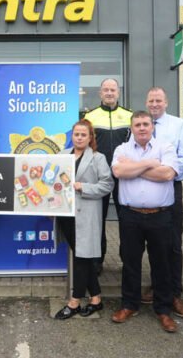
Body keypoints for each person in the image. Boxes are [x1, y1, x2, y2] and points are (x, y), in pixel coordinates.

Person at [110, 111, 179, 333]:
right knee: (130, 262)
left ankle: (163, 309)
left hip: (160, 215)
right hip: (130, 215)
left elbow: (167, 174)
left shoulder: (166, 147)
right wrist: (149, 163)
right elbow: (118, 171)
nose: (141, 128)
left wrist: (134, 167)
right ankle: (129, 305)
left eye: (145, 124)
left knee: (162, 263)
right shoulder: (122, 150)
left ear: (152, 127)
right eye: (137, 124)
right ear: (132, 128)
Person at [54, 119, 114, 320]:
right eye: (76, 134)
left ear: (90, 138)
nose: (79, 138)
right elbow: (52, 183)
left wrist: (84, 187)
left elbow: (107, 185)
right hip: (66, 215)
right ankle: (96, 299)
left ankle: (74, 302)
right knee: (83, 257)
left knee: (81, 258)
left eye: (83, 135)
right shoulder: (62, 155)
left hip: (86, 215)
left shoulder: (98, 158)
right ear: (72, 136)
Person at [144, 86, 183, 318]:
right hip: (145, 188)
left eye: (158, 100)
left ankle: (174, 293)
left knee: (172, 242)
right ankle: (157, 286)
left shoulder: (179, 125)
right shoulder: (141, 125)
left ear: (166, 102)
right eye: (151, 100)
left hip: (170, 186)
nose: (155, 104)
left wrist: (163, 174)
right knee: (154, 241)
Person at [83, 78, 132, 274]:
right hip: (98, 177)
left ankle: (127, 260)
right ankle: (97, 261)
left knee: (127, 220)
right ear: (100, 93)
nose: (109, 93)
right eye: (106, 90)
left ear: (118, 92)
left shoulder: (129, 116)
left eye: (113, 89)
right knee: (97, 221)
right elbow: (85, 146)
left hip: (124, 176)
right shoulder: (90, 116)